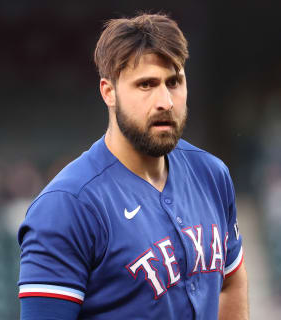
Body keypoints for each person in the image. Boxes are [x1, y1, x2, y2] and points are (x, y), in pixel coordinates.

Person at [18, 13, 248, 320]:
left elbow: (231, 282)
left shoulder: (211, 174)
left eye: (174, 82)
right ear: (108, 92)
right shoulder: (66, 206)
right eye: (146, 84)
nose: (165, 101)